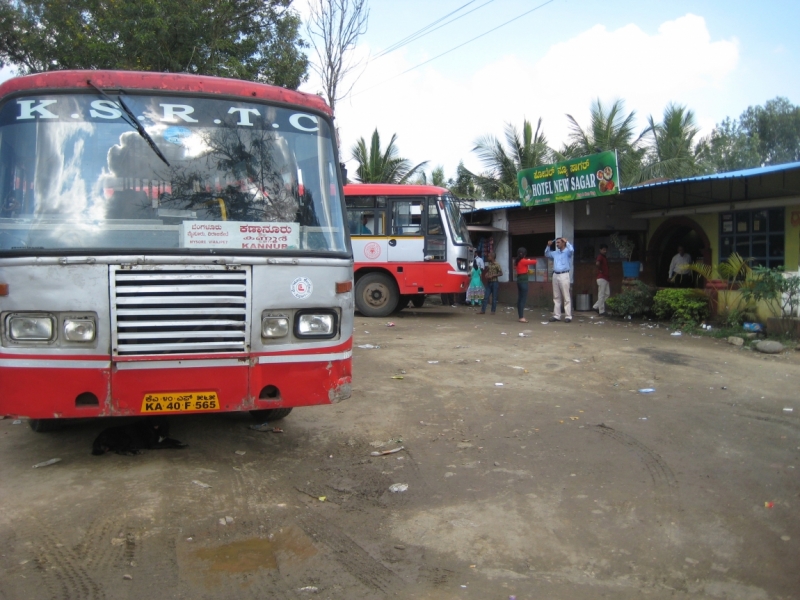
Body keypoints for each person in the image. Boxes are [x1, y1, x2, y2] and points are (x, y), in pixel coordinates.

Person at [545, 237, 574, 322]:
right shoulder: (555, 253)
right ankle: (557, 315)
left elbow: (572, 250)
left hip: (564, 274)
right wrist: (548, 246)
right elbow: (547, 254)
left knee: (566, 296)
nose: (557, 244)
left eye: (558, 243)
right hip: (555, 275)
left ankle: (568, 316)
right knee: (556, 296)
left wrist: (567, 242)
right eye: (556, 243)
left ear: (563, 243)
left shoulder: (568, 252)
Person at [513, 247, 537, 322]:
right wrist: (528, 260)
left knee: (520, 299)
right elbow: (535, 261)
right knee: (523, 299)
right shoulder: (523, 261)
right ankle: (521, 317)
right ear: (524, 254)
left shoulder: (516, 261)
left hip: (519, 280)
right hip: (524, 281)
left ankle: (520, 316)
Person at [593, 244, 610, 316]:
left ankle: (596, 306)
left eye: (605, 250)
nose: (605, 251)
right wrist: (601, 270)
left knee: (607, 294)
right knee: (602, 295)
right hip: (602, 277)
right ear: (600, 250)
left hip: (605, 277)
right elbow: (597, 263)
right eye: (603, 249)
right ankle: (601, 311)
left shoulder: (604, 257)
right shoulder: (600, 256)